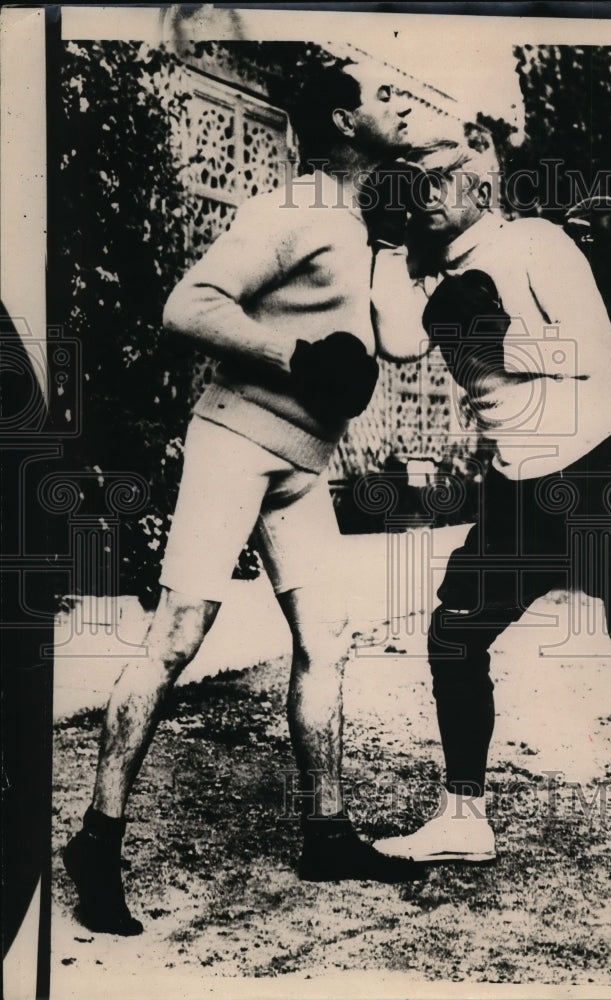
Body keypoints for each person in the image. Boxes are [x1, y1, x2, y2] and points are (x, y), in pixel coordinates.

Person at [63, 57, 423, 937]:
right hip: (236, 441)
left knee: (325, 640)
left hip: (304, 462)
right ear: (342, 121)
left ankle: (326, 832)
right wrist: (294, 358)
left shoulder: (363, 221)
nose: (400, 100)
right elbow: (188, 306)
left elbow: (400, 348)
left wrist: (409, 260)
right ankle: (97, 842)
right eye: (383, 94)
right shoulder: (292, 208)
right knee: (178, 639)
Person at [367, 132, 611, 926]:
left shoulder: (535, 241)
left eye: (439, 178)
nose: (425, 190)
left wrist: (490, 335)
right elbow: (396, 343)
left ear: (483, 186)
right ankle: (464, 819)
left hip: (605, 466)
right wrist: (386, 241)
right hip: (519, 486)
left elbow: (598, 353)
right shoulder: (430, 270)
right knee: (455, 633)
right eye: (412, 180)